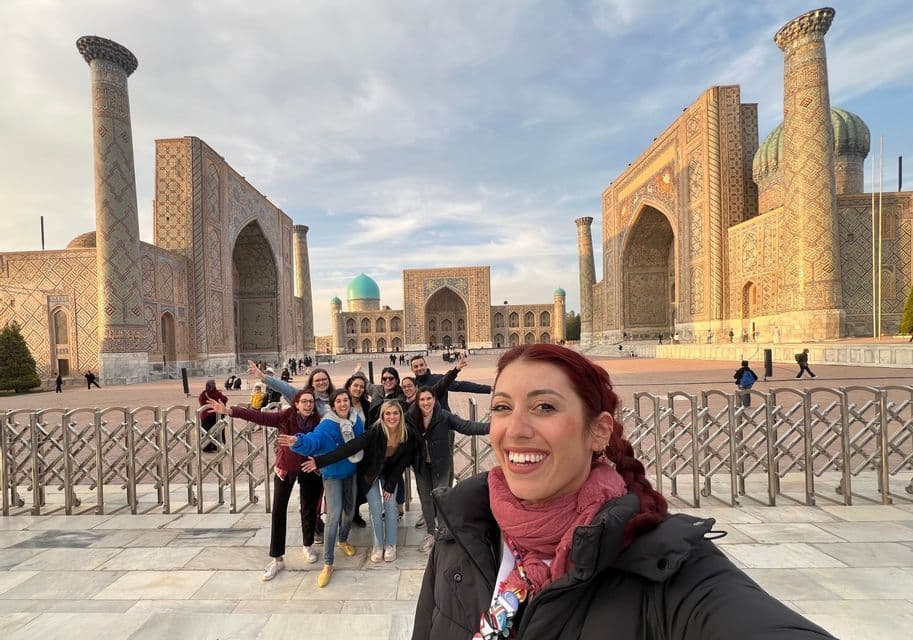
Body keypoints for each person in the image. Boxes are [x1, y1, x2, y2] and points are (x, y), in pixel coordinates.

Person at [412, 344, 836, 639]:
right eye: (502, 408)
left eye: (545, 407)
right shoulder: (462, 536)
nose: (516, 430)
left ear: (598, 431)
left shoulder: (664, 568)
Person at [206, 389, 323, 580]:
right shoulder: (286, 417)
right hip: (286, 467)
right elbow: (260, 417)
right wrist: (229, 411)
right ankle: (277, 558)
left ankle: (307, 545)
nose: (308, 405)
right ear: (296, 404)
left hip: (309, 468)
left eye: (311, 402)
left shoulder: (318, 421)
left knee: (309, 509)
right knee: (278, 511)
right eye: (304, 401)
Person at [304, 400, 416, 563]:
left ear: (401, 415)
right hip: (370, 473)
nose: (392, 417)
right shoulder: (375, 431)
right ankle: (378, 545)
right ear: (382, 416)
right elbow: (350, 447)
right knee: (376, 508)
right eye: (388, 413)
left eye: (395, 413)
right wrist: (320, 461)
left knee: (391, 507)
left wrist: (391, 485)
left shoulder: (407, 433)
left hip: (391, 474)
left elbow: (403, 461)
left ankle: (391, 544)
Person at [277, 389, 364, 587]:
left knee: (349, 512)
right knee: (333, 515)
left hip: (351, 472)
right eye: (339, 401)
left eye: (346, 400)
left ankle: (343, 539)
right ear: (333, 405)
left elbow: (362, 440)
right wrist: (298, 441)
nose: (343, 404)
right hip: (332, 475)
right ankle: (328, 562)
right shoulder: (327, 425)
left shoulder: (356, 420)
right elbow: (313, 441)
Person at [408, 387, 490, 552]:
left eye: (429, 399)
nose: (426, 403)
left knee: (441, 497)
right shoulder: (410, 417)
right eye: (422, 399)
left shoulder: (443, 416)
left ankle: (442, 531)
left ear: (434, 399)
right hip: (420, 465)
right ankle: (431, 533)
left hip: (441, 464)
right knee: (425, 498)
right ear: (417, 402)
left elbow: (466, 426)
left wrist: (491, 427)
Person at [409, 354, 491, 412]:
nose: (419, 368)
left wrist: (489, 388)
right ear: (412, 369)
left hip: (443, 423)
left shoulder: (438, 379)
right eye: (416, 367)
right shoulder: (411, 386)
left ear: (426, 365)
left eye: (421, 365)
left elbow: (461, 385)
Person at [198, 380, 228, 453]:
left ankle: (206, 446)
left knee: (206, 432)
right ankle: (217, 445)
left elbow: (201, 402)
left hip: (206, 415)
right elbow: (225, 399)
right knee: (218, 430)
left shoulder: (203, 394)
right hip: (217, 415)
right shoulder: (217, 393)